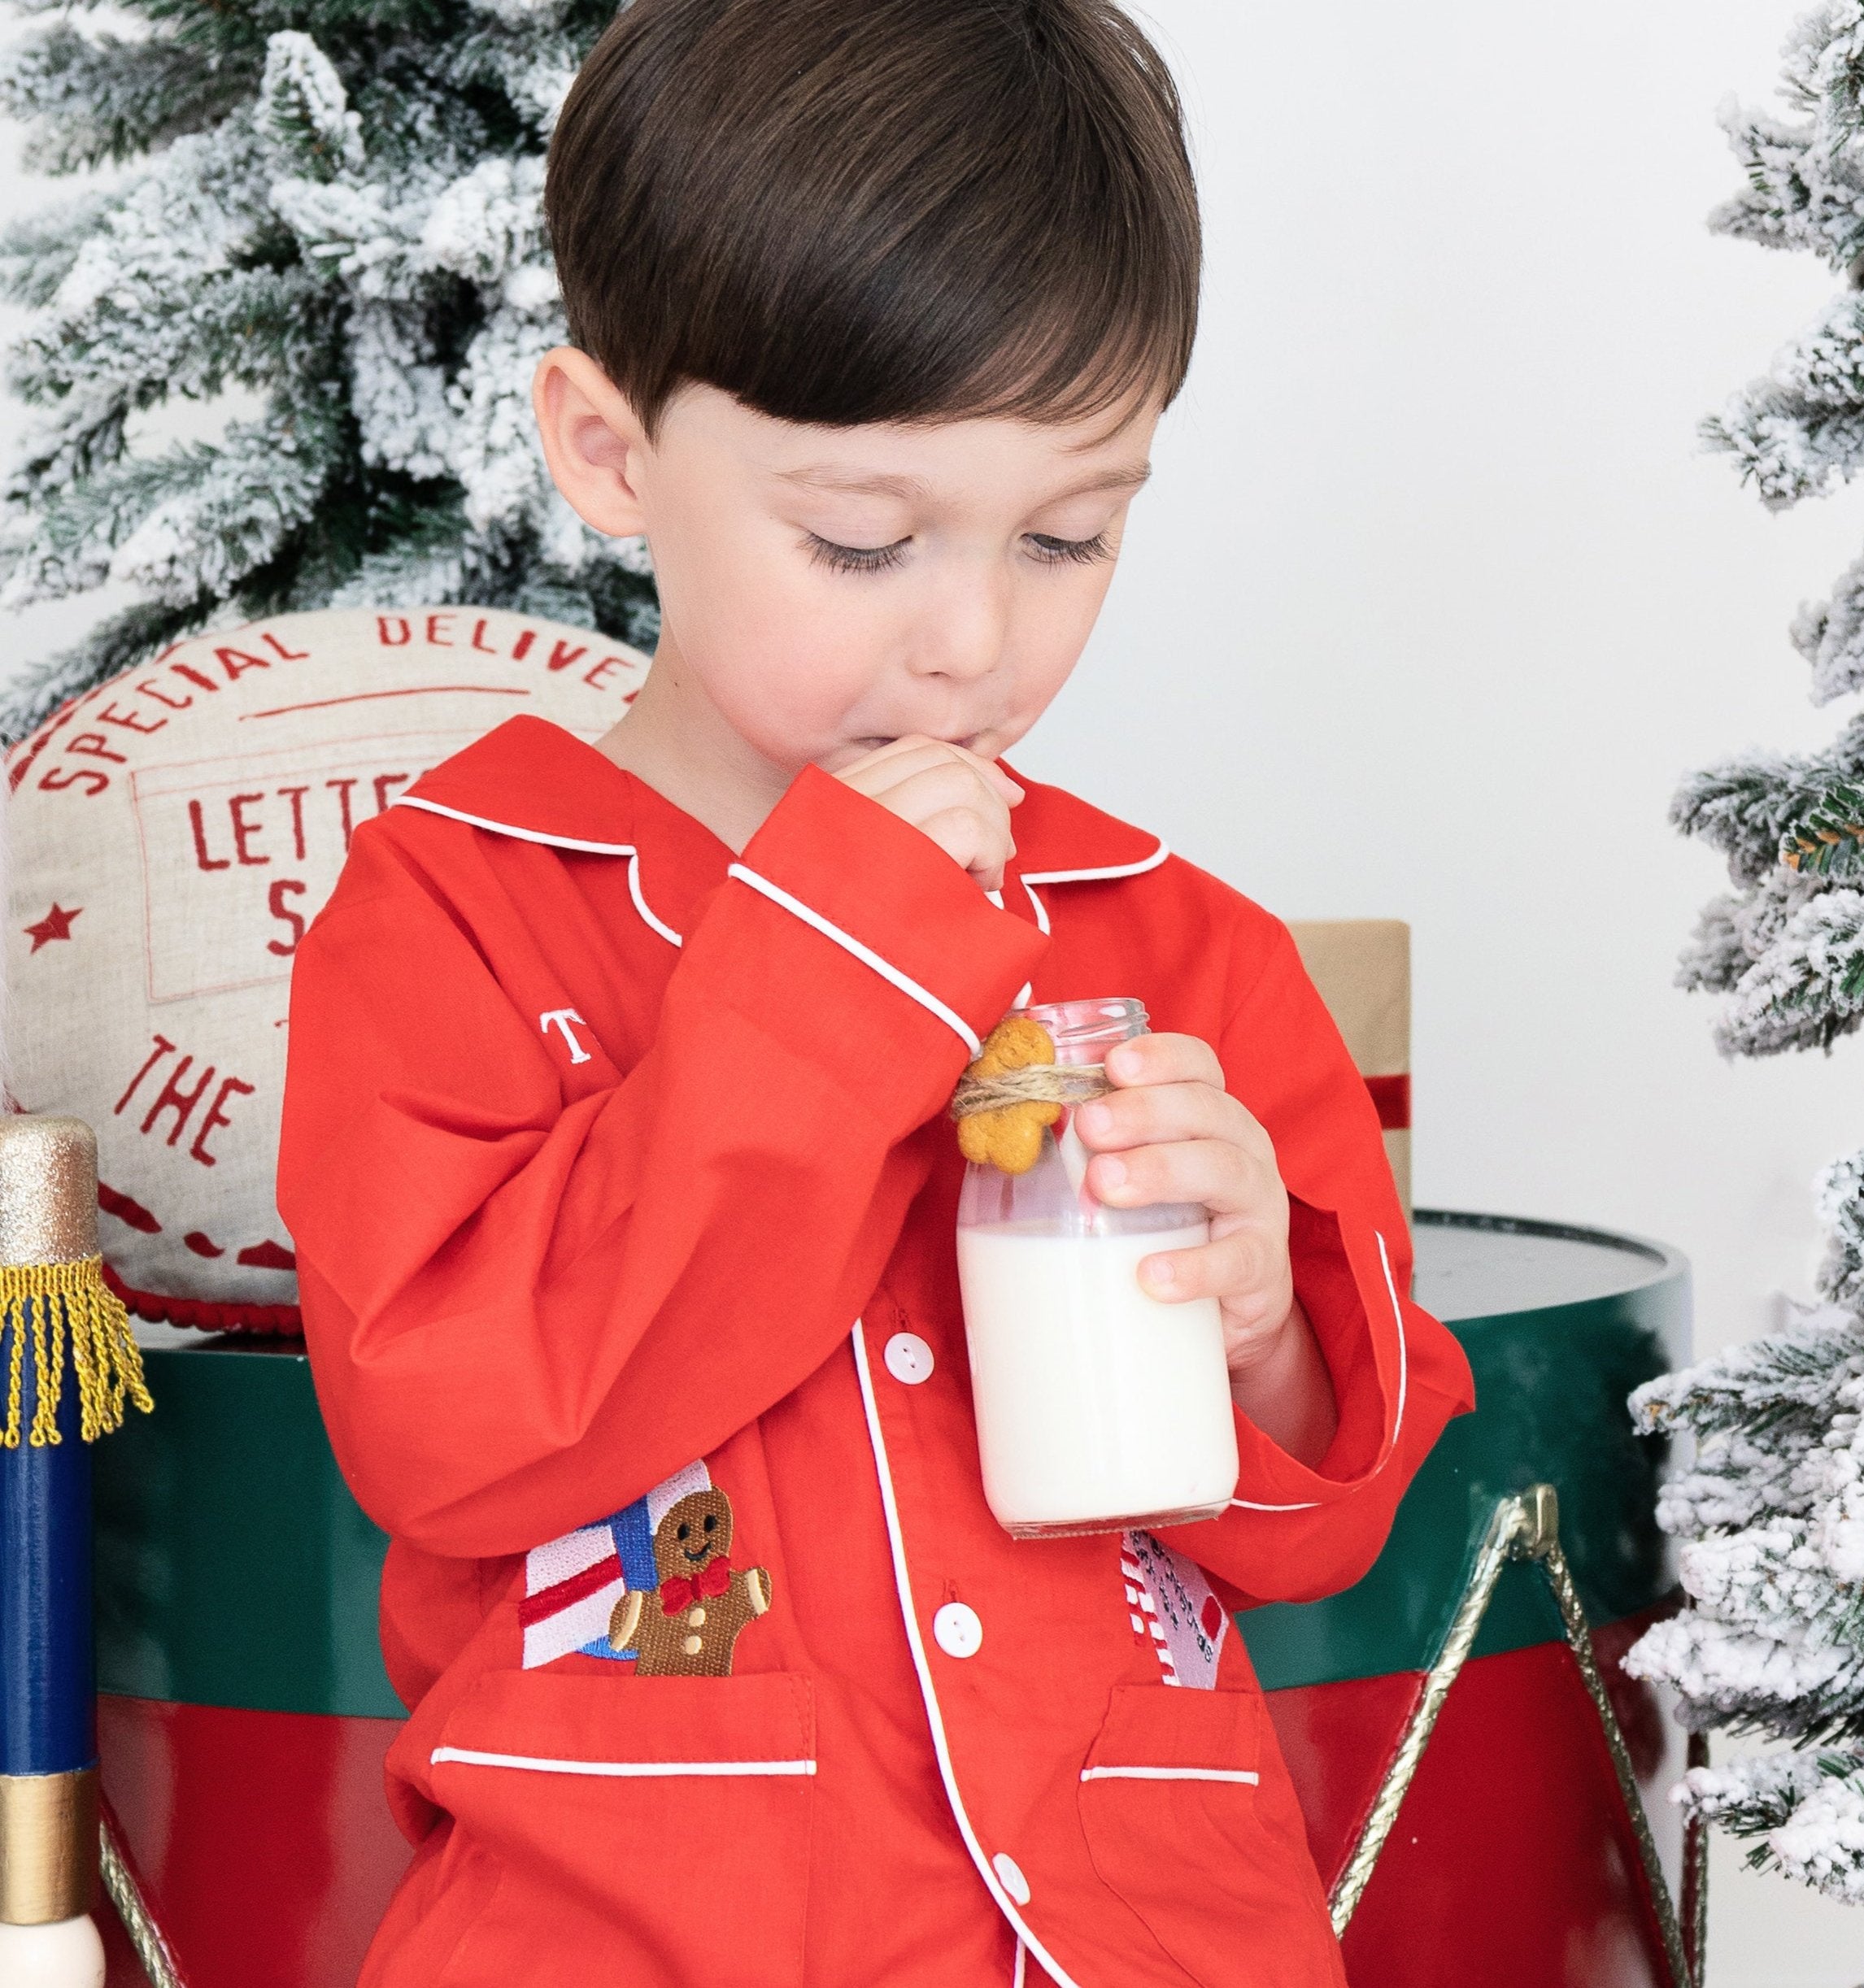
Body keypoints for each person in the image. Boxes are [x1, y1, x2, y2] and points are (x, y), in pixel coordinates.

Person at [276, 2, 1474, 1983]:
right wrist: (824, 963)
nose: (973, 643)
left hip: (1143, 1925)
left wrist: (1264, 1328)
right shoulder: (461, 911)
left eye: (1070, 532)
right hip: (627, 1932)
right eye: (858, 539)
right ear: (607, 450)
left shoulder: (1178, 941)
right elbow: (457, 1433)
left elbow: (1313, 1523)